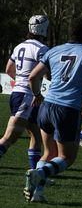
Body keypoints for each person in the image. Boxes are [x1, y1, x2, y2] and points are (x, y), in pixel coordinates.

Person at [23, 18, 82, 203]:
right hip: (67, 110)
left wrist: (37, 94)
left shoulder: (54, 50)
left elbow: (33, 76)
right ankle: (39, 173)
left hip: (46, 107)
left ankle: (38, 193)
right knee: (67, 158)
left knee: (48, 153)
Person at [0, 15, 49, 170]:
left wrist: (21, 79)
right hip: (27, 96)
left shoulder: (19, 46)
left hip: (21, 94)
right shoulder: (41, 49)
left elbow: (8, 69)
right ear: (43, 29)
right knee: (9, 138)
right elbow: (48, 75)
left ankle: (35, 172)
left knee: (36, 134)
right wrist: (34, 90)